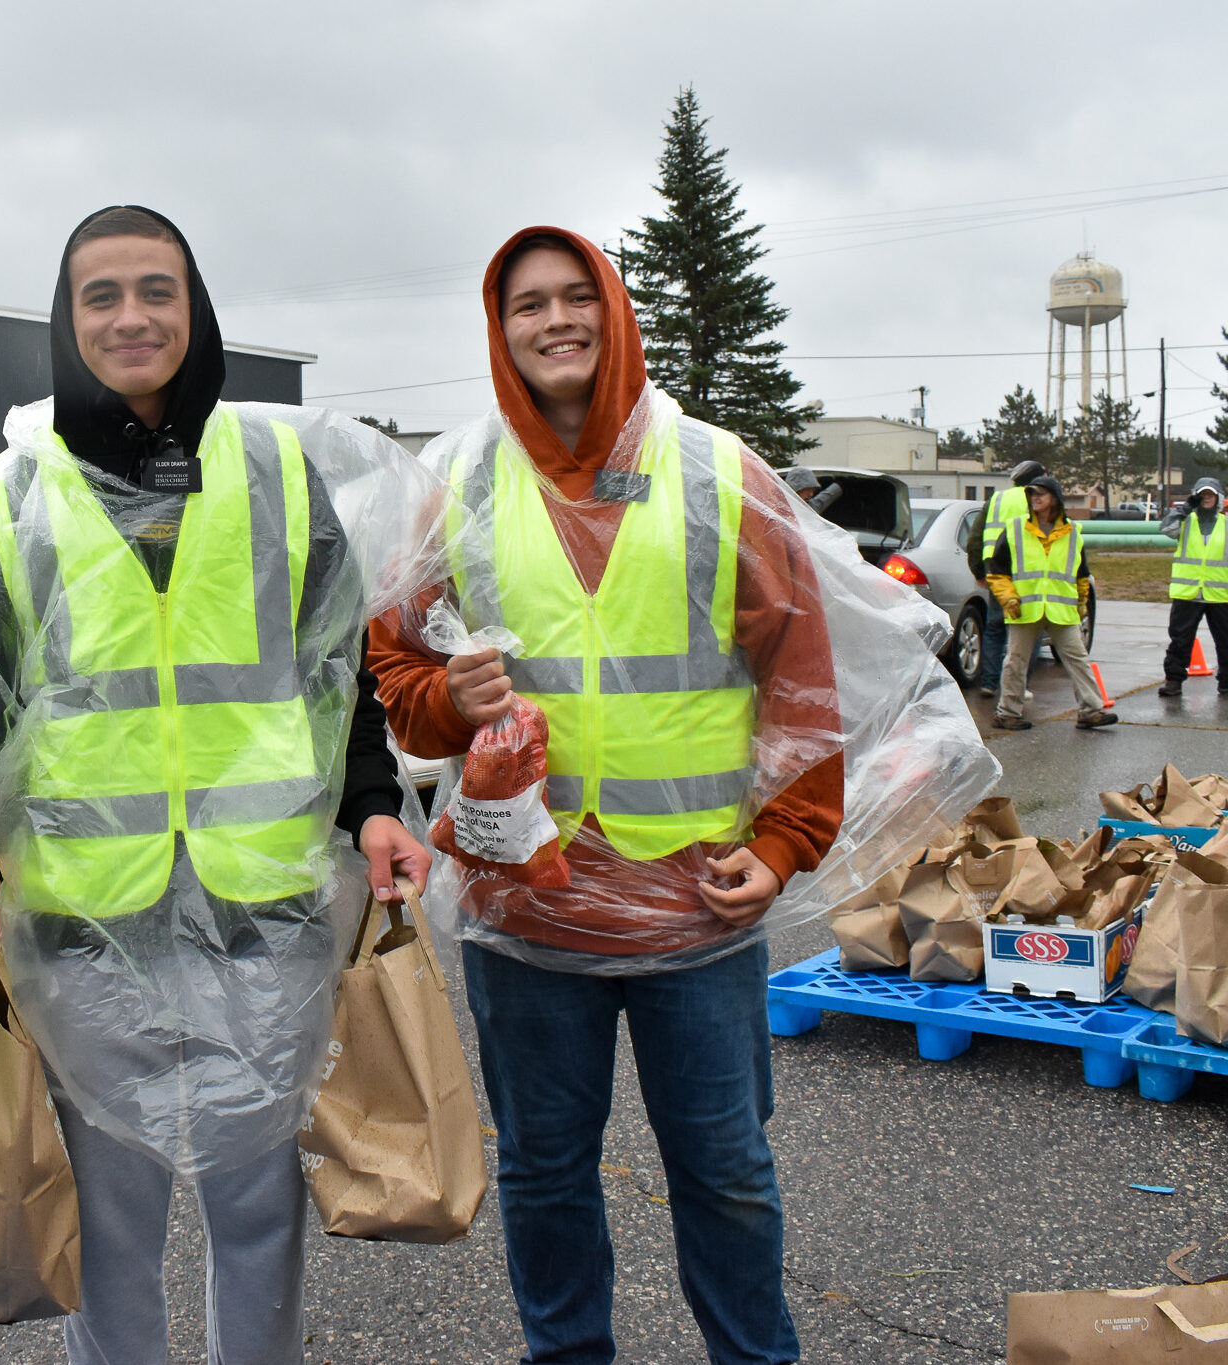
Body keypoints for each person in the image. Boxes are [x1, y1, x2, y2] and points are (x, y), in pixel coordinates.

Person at [0, 205, 434, 1365]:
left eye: (157, 290)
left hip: (263, 897)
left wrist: (375, 806)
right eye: (101, 295)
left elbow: (334, 673)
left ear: (194, 313)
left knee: (258, 1210)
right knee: (111, 1220)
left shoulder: (278, 474)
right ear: (66, 319)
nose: (131, 316)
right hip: (83, 910)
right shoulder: (9, 495)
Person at [368, 227, 845, 1365]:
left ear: (614, 311)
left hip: (698, 904)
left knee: (725, 1176)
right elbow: (396, 681)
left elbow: (804, 687)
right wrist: (449, 695)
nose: (553, 321)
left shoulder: (720, 472)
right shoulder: (457, 482)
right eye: (525, 305)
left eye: (575, 296)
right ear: (500, 330)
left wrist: (782, 849)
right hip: (524, 913)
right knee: (542, 1178)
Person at [985, 474, 1115, 731]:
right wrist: (1008, 597)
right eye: (1032, 494)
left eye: (1040, 494)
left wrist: (1081, 603)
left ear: (1054, 499)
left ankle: (1090, 710)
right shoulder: (1014, 529)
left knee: (1078, 659)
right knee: (1015, 661)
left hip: (1061, 610)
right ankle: (1008, 713)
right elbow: (997, 571)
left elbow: (1081, 574)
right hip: (1024, 608)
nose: (1035, 498)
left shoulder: (1073, 533)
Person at [970, 460, 1045, 696]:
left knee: (994, 627)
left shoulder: (997, 499)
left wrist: (978, 570)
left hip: (995, 569)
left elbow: (975, 536)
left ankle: (989, 683)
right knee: (1029, 628)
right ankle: (1019, 686)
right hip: (1027, 570)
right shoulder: (1037, 499)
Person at [1158, 477, 1227, 697]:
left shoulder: (1226, 524)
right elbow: (1165, 528)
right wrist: (1185, 508)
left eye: (1211, 494)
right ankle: (1174, 681)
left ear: (1219, 498)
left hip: (1219, 594)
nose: (1207, 498)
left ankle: (1226, 682)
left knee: (1226, 641)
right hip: (1187, 593)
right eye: (1202, 494)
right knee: (1180, 640)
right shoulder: (1186, 521)